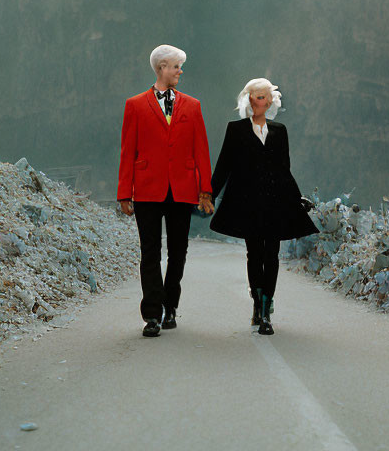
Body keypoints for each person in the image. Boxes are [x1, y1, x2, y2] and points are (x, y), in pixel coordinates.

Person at [118, 45, 214, 338]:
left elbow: (202, 151)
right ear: (161, 68)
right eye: (176, 66)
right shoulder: (134, 105)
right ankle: (152, 315)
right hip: (147, 187)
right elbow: (127, 150)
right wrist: (124, 192)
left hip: (183, 188)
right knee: (150, 252)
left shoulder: (193, 106)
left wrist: (205, 191)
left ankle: (170, 305)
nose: (180, 71)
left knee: (178, 251)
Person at [209, 78, 318, 335]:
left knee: (272, 255)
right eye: (258, 96)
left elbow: (284, 169)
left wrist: (297, 197)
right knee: (254, 254)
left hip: (276, 201)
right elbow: (224, 165)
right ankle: (257, 304)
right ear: (248, 99)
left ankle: (267, 310)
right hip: (247, 203)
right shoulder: (235, 129)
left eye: (266, 97)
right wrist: (208, 195)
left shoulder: (280, 131)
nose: (262, 102)